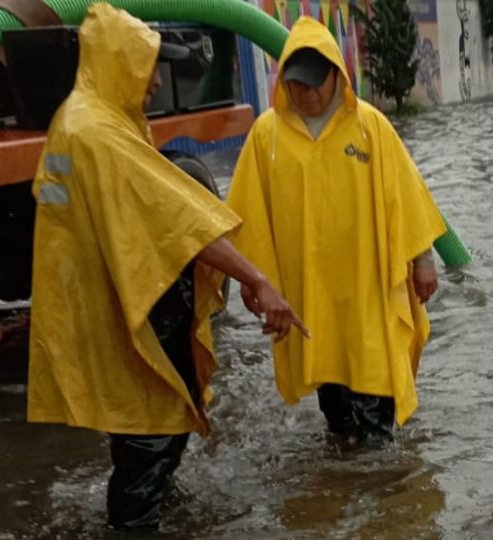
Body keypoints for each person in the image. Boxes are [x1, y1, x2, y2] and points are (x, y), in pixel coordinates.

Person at [25, 3, 307, 531]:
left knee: (150, 432)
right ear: (120, 60)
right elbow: (181, 221)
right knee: (148, 430)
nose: (156, 81)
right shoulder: (98, 134)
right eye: (148, 64)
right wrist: (258, 280)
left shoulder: (81, 119)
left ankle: (158, 511)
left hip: (101, 301)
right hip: (119, 311)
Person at [226, 16, 446, 446]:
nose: (305, 93)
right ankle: (349, 488)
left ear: (335, 75)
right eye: (296, 84)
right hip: (312, 300)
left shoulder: (369, 127)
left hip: (368, 293)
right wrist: (250, 281)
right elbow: (246, 214)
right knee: (336, 409)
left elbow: (408, 196)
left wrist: (423, 260)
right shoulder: (266, 137)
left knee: (374, 418)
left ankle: (381, 499)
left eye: (314, 83)